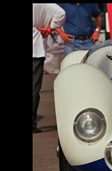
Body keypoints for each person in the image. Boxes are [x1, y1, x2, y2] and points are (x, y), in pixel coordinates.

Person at [33, 4, 66, 133]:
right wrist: (50, 27)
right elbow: (61, 13)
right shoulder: (44, 4)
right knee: (34, 88)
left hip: (37, 47)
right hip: (36, 49)